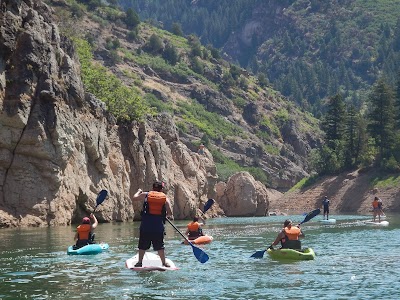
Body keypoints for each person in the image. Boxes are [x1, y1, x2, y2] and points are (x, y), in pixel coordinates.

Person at [131, 181, 173, 267]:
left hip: (146, 225)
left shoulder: (146, 194)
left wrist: (139, 191)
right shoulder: (165, 198)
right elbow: (170, 213)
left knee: (142, 245)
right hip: (158, 226)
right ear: (161, 189)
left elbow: (134, 198)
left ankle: (139, 263)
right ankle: (164, 263)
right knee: (160, 245)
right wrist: (165, 216)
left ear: (153, 188)